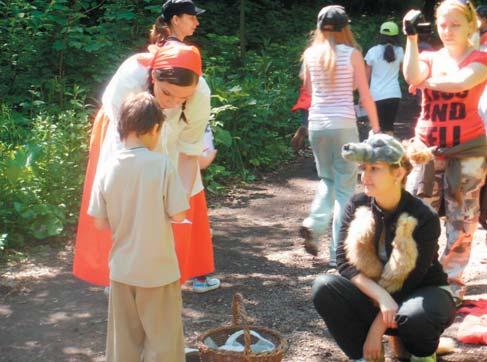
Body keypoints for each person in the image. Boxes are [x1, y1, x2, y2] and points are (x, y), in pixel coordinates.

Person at [73, 41, 218, 293]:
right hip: (128, 142)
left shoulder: (200, 94)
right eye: (166, 93)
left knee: (172, 214)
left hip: (173, 144)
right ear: (153, 78)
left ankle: (162, 278)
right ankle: (119, 276)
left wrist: (177, 200)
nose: (173, 103)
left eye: (183, 98)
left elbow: (187, 153)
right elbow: (128, 143)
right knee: (129, 205)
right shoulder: (131, 77)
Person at [312, 134, 455, 362]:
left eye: (374, 169)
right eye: (364, 168)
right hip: (378, 297)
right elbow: (344, 262)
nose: (365, 176)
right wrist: (381, 298)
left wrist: (376, 330)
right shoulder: (357, 204)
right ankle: (364, 358)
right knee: (324, 287)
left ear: (398, 173)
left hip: (420, 294)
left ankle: (423, 355)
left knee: (415, 315)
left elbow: (411, 280)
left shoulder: (423, 215)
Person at [89, 92, 189, 362]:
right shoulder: (162, 165)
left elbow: (99, 221)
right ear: (154, 128)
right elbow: (179, 215)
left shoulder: (108, 168)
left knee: (123, 344)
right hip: (159, 270)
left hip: (122, 271)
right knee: (164, 342)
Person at [402, 0, 487, 302]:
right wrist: (411, 38)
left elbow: (460, 82)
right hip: (426, 152)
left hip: (467, 152)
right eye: (442, 25)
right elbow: (411, 76)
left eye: (455, 25)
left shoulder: (481, 57)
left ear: (470, 26)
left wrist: (425, 82)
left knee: (461, 221)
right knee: (415, 216)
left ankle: (451, 287)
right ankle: (420, 278)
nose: (448, 31)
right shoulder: (429, 56)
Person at [299, 5, 380, 265]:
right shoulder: (353, 54)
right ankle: (338, 254)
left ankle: (314, 221)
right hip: (344, 124)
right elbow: (364, 95)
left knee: (327, 179)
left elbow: (309, 90)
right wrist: (376, 129)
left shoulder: (311, 54)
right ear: (346, 27)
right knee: (345, 187)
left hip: (317, 125)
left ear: (320, 28)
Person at [365, 21, 404, 135]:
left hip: (376, 95)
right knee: (388, 128)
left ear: (380, 35)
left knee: (376, 129)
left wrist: (363, 95)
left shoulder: (372, 51)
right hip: (394, 94)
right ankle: (389, 152)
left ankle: (375, 151)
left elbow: (366, 76)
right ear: (396, 36)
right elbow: (405, 72)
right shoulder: (400, 51)